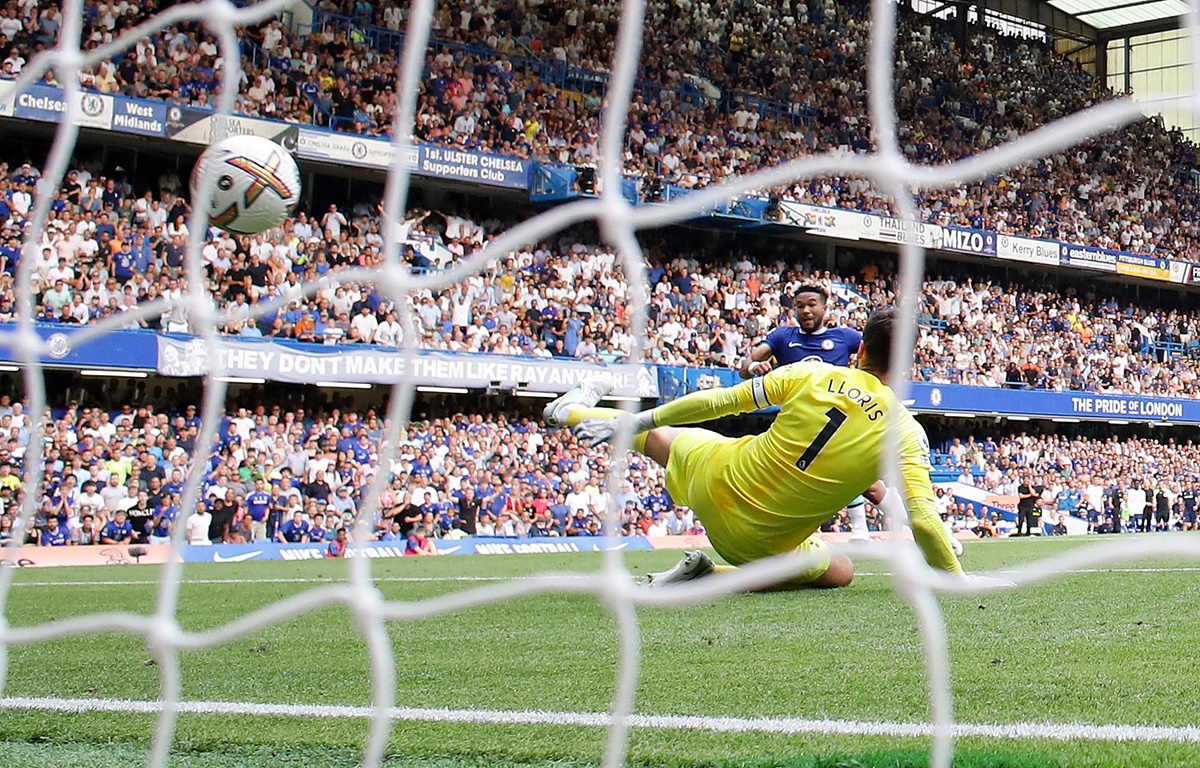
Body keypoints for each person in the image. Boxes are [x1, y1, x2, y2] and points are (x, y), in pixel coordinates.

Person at [544, 307, 963, 589]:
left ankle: (571, 412)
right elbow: (921, 517)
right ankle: (711, 574)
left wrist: (641, 417)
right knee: (841, 571)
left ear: (860, 350)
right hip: (756, 544)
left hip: (718, 477)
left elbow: (717, 401)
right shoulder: (903, 429)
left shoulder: (808, 374)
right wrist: (954, 574)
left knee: (655, 437)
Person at [738, 283, 873, 542]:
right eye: (799, 306)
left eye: (812, 304)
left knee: (848, 471)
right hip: (796, 423)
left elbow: (876, 355)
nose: (806, 310)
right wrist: (755, 366)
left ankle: (860, 530)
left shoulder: (845, 337)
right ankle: (800, 534)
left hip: (835, 422)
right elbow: (745, 367)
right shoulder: (782, 337)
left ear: (825, 307)